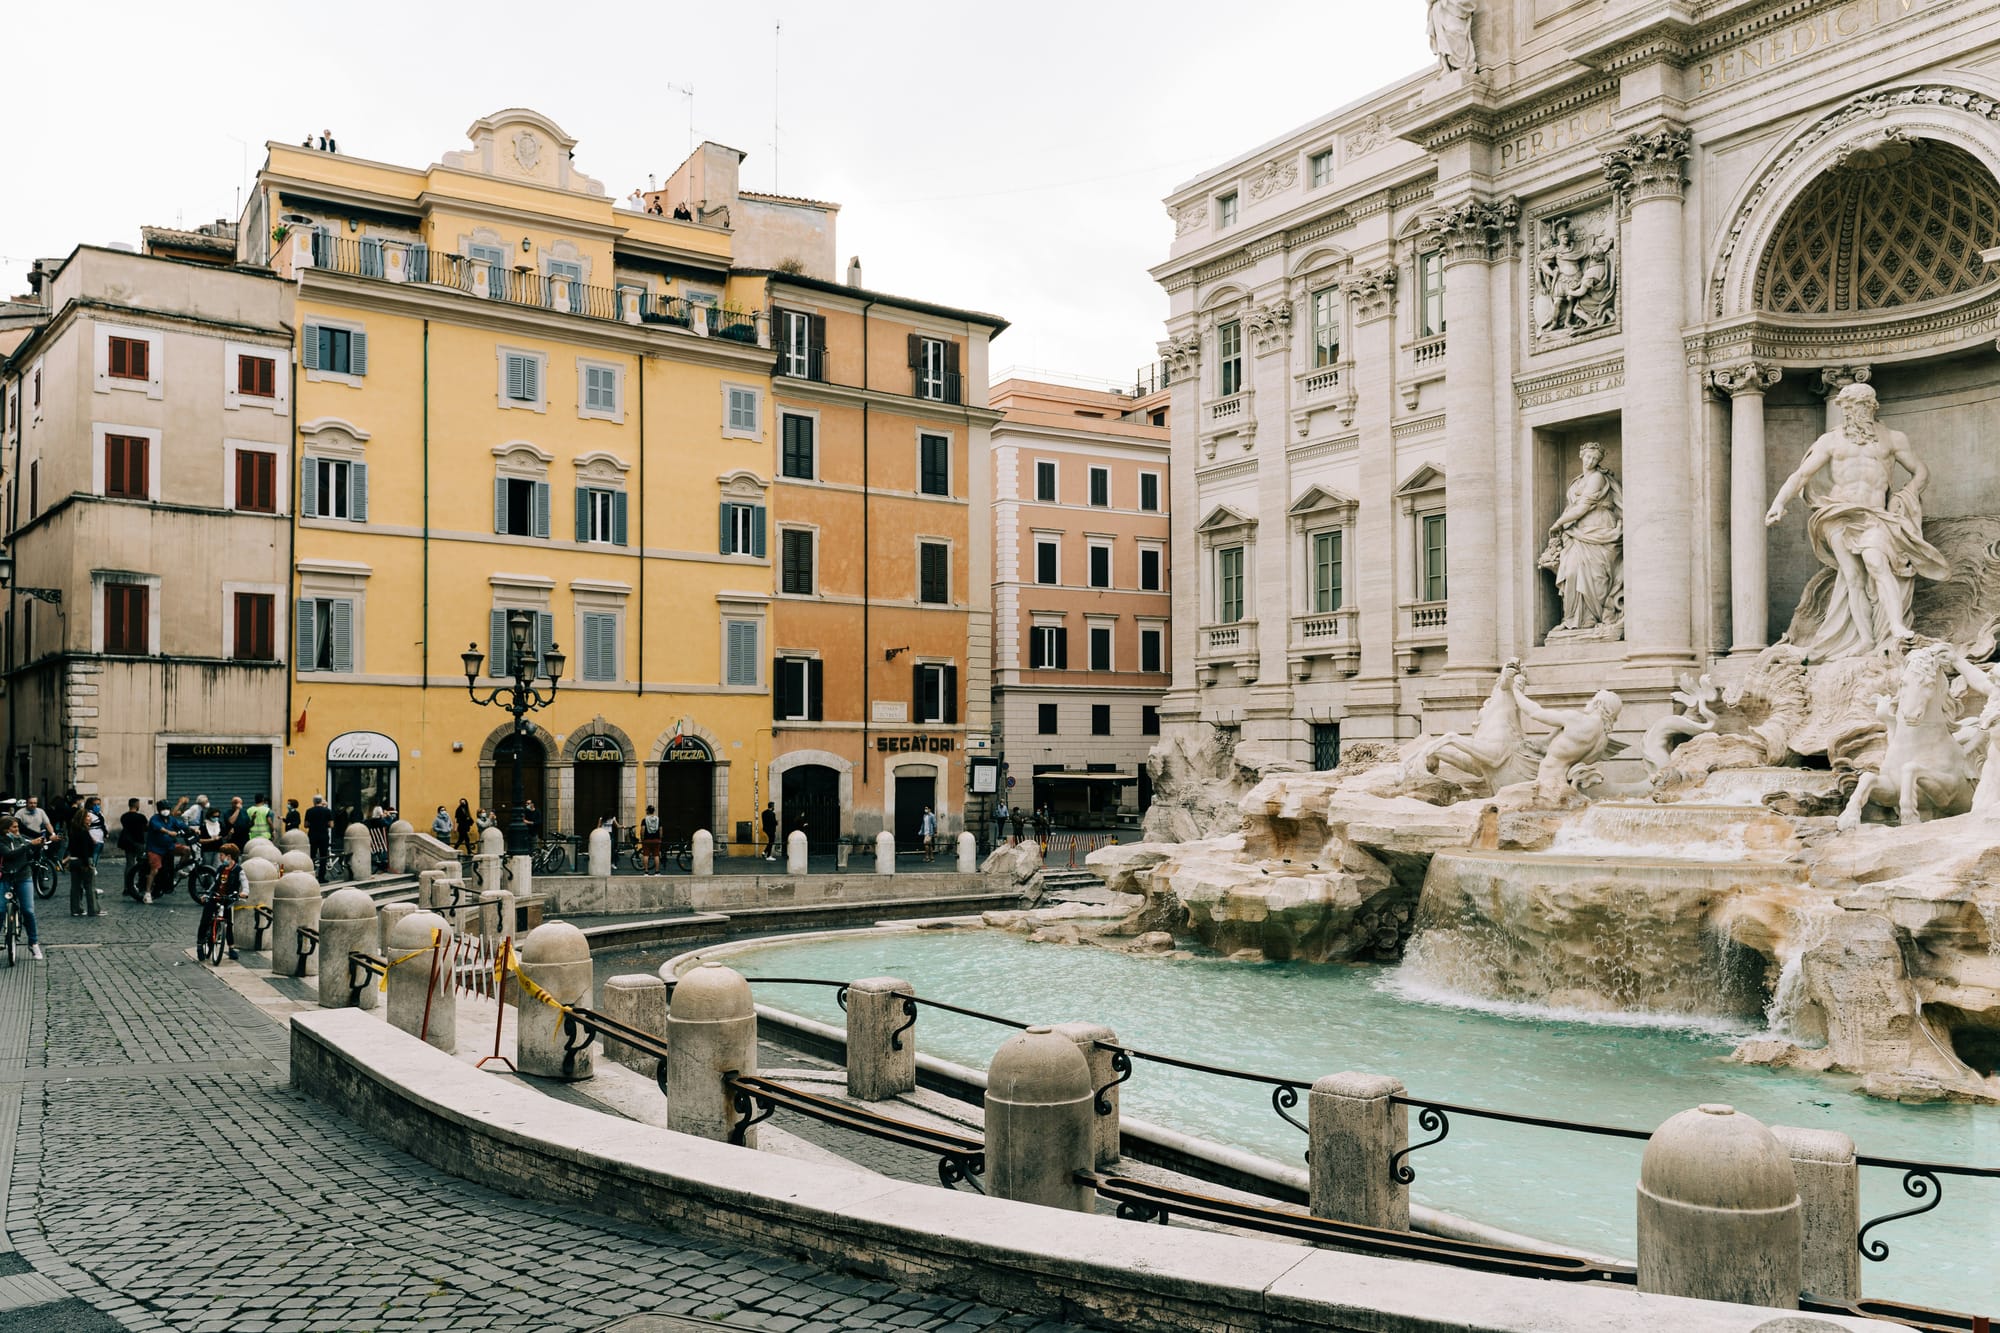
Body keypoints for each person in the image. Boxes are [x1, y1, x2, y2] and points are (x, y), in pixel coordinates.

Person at [1766, 381, 1948, 659]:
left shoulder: (1892, 438)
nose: (1853, 412)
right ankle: (1865, 639)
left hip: (1874, 514)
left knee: (1877, 562)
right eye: (1848, 407)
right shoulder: (1831, 441)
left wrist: (1906, 494)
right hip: (1838, 513)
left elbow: (1920, 471)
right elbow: (1801, 476)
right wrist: (1778, 503)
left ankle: (1896, 626)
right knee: (1852, 577)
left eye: (1860, 405)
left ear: (1872, 407)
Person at [1, 816, 43, 960]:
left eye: (17, 827)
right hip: (5, 878)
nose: (17, 830)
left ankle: (33, 943)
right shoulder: (2, 841)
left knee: (28, 911)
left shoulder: (21, 839)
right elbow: (9, 854)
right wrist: (29, 845)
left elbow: (31, 853)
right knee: (0, 909)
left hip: (24, 877)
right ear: (5, 829)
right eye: (14, 827)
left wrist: (37, 846)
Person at [198, 843, 245, 961]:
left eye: (222, 855)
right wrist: (207, 894)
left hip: (227, 899)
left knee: (228, 923)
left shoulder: (238, 870)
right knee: (205, 919)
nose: (220, 857)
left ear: (229, 856)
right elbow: (215, 883)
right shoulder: (220, 868)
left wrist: (244, 892)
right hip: (215, 896)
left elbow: (244, 882)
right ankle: (200, 944)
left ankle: (231, 948)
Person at [144, 799, 185, 905]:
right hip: (155, 849)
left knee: (187, 850)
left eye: (167, 808)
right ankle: (147, 893)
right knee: (155, 870)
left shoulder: (171, 819)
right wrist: (169, 832)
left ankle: (178, 870)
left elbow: (181, 825)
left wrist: (193, 830)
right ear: (159, 810)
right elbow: (159, 828)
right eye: (163, 809)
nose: (165, 811)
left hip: (169, 846)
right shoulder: (154, 819)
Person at [66, 800, 98, 917]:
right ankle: (92, 909)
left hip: (74, 860)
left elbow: (71, 847)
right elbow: (84, 850)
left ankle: (76, 909)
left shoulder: (74, 831)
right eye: (88, 816)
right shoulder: (84, 833)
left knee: (75, 887)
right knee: (89, 886)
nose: (90, 818)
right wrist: (87, 863)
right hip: (83, 860)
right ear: (83, 819)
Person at [119, 798, 149, 899]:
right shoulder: (141, 817)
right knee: (141, 865)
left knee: (129, 864)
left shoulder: (124, 817)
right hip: (139, 842)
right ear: (136, 805)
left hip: (128, 843)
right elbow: (146, 828)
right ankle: (141, 885)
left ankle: (127, 887)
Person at [304, 794, 334, 877]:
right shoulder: (327, 811)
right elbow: (331, 825)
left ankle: (311, 874)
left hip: (312, 835)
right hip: (324, 835)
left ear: (313, 801)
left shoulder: (309, 811)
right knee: (323, 856)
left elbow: (306, 825)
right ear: (321, 801)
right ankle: (322, 876)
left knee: (312, 855)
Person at [640, 805, 662, 873]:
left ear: (647, 811)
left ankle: (646, 871)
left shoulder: (644, 820)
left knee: (646, 855)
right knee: (656, 855)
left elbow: (642, 830)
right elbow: (661, 830)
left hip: (647, 839)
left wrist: (642, 838)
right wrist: (660, 838)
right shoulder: (658, 819)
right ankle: (657, 871)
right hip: (656, 839)